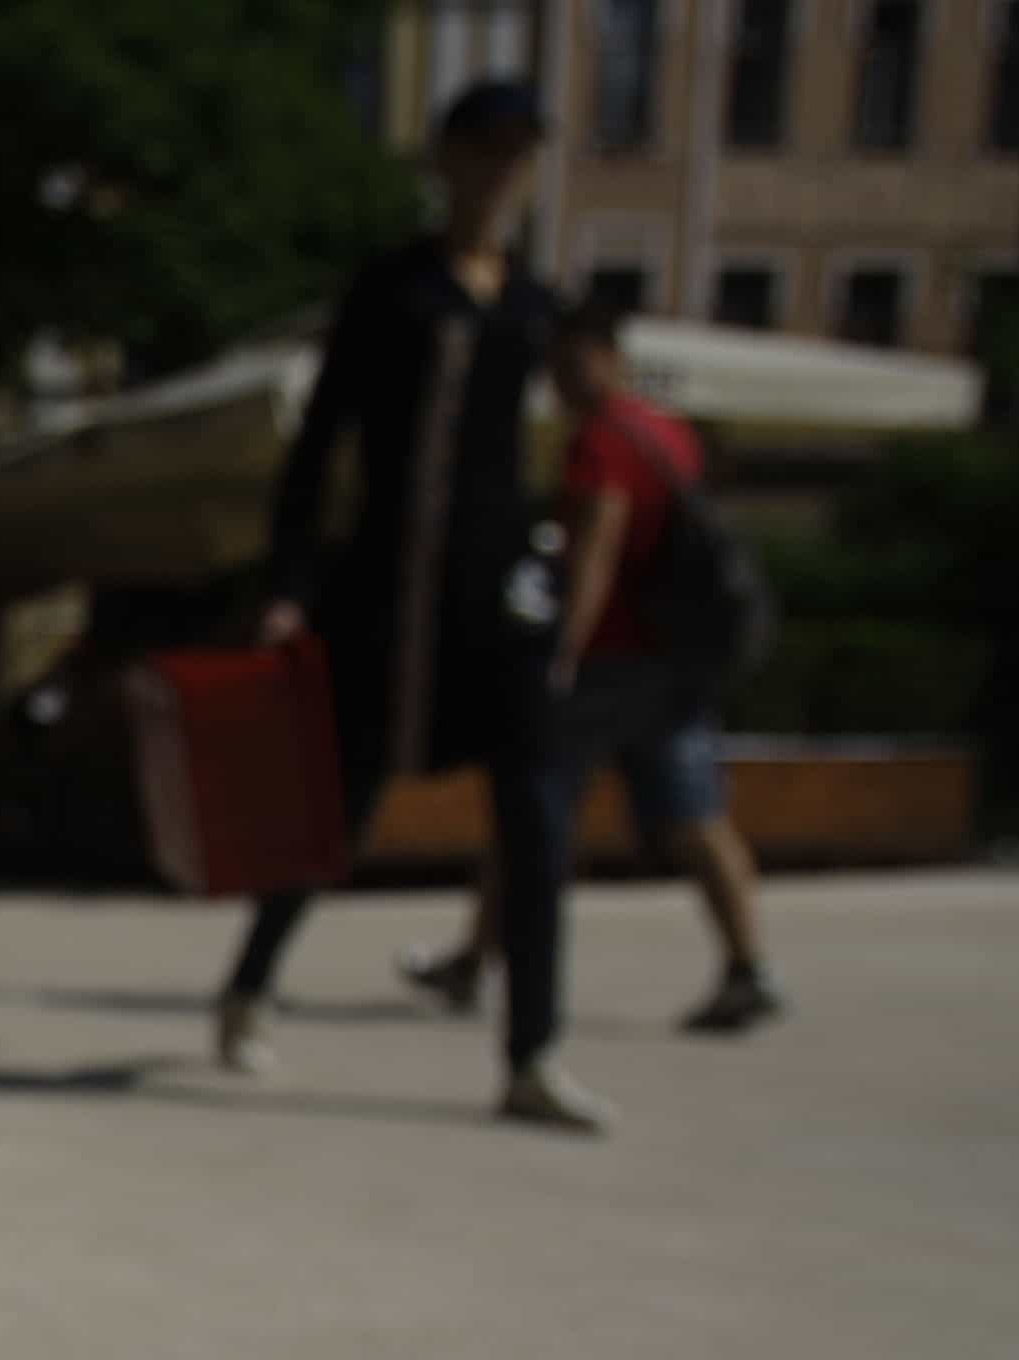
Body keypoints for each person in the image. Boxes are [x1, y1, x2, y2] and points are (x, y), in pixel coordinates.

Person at [212, 82, 606, 1128]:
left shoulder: (532, 305)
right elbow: (319, 446)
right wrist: (291, 584)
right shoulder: (391, 292)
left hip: (496, 592)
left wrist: (566, 575)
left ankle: (533, 1051)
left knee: (536, 814)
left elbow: (583, 441)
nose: (500, 174)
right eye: (484, 151)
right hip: (385, 590)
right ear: (445, 161)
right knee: (333, 811)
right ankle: (250, 985)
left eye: (519, 155)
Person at [397, 299, 786, 1041]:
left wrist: (562, 654)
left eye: (571, 363)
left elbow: (596, 556)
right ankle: (747, 967)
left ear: (606, 356)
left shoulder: (603, 443)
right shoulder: (670, 433)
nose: (561, 380)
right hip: (676, 662)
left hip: (611, 663)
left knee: (532, 809)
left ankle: (474, 963)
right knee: (696, 818)